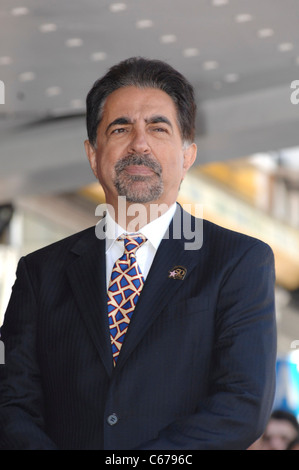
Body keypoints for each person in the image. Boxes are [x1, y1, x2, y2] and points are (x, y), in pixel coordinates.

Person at [0, 57, 277, 450]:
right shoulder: (40, 272)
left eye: (158, 128)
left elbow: (241, 404)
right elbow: (12, 402)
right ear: (93, 155)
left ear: (187, 156)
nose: (139, 142)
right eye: (120, 127)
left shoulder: (238, 261)